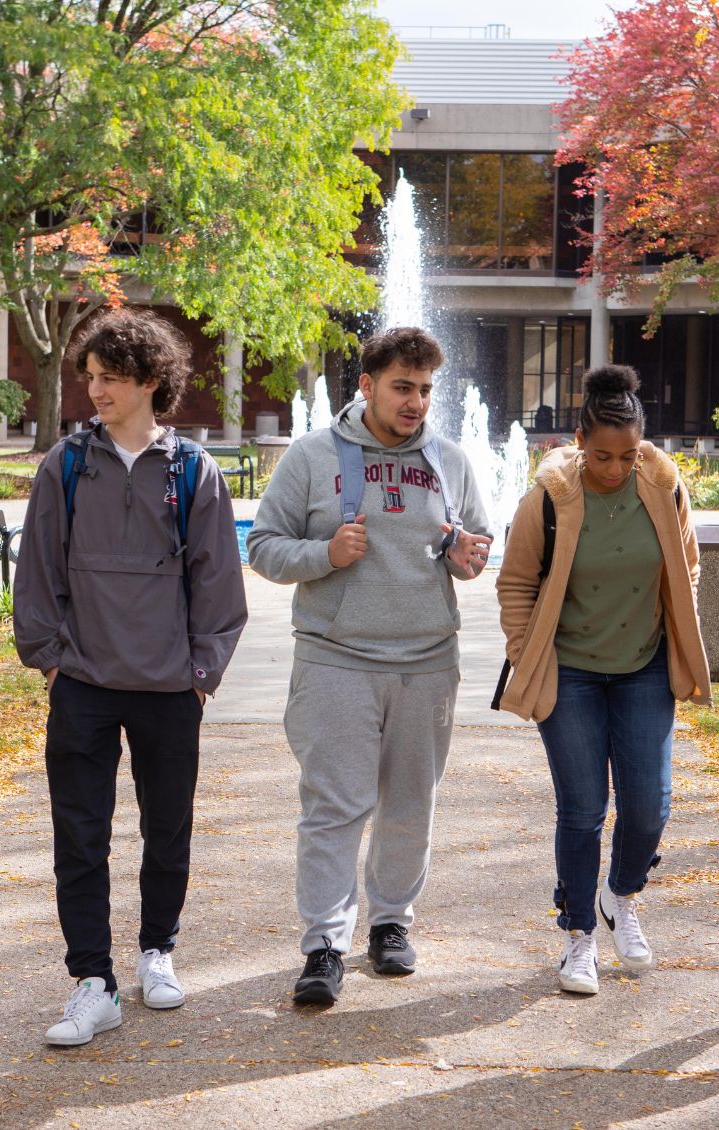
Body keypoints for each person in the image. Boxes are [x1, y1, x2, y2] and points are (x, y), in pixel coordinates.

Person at [13, 307, 247, 1045]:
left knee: (166, 829)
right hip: (82, 682)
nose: (95, 392)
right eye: (90, 378)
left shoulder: (193, 471)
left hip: (170, 688)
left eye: (110, 379)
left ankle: (157, 952)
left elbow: (218, 583)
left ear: (150, 382)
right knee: (79, 837)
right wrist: (49, 660)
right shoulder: (65, 465)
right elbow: (37, 572)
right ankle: (93, 982)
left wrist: (201, 672)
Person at [247, 326, 493, 1006]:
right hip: (336, 660)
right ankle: (323, 943)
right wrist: (325, 554)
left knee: (411, 806)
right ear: (367, 386)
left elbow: (471, 548)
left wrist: (465, 556)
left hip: (427, 661)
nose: (414, 403)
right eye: (401, 388)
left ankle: (390, 924)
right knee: (334, 807)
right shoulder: (311, 456)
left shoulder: (449, 461)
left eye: (424, 390)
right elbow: (263, 547)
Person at [495, 365, 711, 995]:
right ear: (578, 440)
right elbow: (515, 583)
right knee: (584, 810)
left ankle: (622, 895)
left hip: (644, 667)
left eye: (628, 455)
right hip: (573, 675)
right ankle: (580, 935)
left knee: (648, 807)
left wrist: (675, 633)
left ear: (643, 445)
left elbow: (687, 566)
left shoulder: (665, 487)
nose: (616, 469)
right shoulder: (549, 498)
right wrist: (527, 651)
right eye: (601, 456)